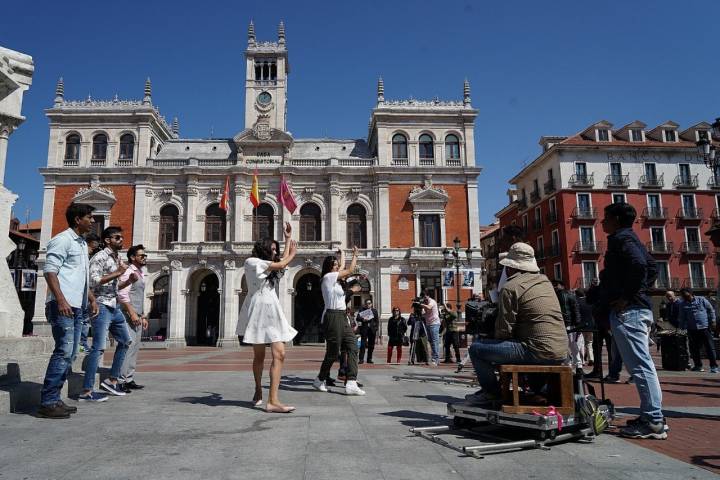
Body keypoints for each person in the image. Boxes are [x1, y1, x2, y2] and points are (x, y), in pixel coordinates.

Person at [466, 243, 567, 407]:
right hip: (561, 349)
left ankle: (491, 393)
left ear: (511, 268)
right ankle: (538, 391)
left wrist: (492, 336)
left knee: (476, 349)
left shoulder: (511, 287)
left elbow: (504, 331)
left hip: (535, 350)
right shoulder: (545, 282)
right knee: (524, 347)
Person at [597, 202, 666, 439]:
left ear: (616, 219)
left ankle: (653, 420)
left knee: (640, 366)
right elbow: (652, 267)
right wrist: (641, 291)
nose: (602, 222)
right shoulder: (631, 238)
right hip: (638, 308)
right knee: (642, 365)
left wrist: (627, 297)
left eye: (605, 217)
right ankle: (653, 416)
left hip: (630, 312)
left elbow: (639, 265)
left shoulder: (621, 239)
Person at [37, 203, 99, 418]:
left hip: (77, 305)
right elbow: (50, 271)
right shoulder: (62, 240)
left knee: (71, 353)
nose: (92, 221)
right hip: (63, 305)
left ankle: (55, 399)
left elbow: (79, 276)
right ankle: (48, 402)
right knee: (63, 351)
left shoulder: (81, 243)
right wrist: (61, 300)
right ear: (77, 219)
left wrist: (90, 299)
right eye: (89, 217)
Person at [237, 222, 298, 413]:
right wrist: (293, 254)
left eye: (275, 249)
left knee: (280, 353)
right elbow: (281, 263)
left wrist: (287, 240)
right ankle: (257, 388)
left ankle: (273, 400)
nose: (274, 252)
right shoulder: (252, 262)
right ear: (262, 249)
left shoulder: (268, 266)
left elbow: (279, 263)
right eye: (271, 249)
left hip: (272, 308)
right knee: (259, 356)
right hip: (258, 310)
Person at [82, 226, 134, 401]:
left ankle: (112, 381)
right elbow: (94, 281)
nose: (121, 240)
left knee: (126, 341)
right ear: (107, 240)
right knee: (98, 347)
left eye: (121, 237)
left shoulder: (116, 258)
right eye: (117, 237)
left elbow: (114, 287)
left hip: (114, 305)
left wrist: (128, 281)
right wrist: (118, 272)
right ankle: (86, 391)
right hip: (101, 305)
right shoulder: (100, 257)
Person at [313, 247, 365, 395]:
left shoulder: (335, 280)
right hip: (332, 316)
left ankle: (351, 382)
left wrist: (342, 254)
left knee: (353, 346)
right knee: (333, 352)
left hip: (342, 316)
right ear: (329, 267)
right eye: (334, 265)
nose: (337, 267)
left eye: (337, 265)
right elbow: (349, 270)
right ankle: (319, 379)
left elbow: (343, 267)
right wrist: (355, 255)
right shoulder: (328, 278)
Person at [117, 244, 149, 390]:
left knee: (135, 347)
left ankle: (128, 377)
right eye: (141, 255)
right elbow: (122, 294)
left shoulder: (140, 273)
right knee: (128, 345)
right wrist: (132, 313)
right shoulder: (128, 272)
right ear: (132, 257)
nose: (144, 258)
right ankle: (120, 379)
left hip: (137, 315)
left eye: (145, 255)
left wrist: (143, 316)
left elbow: (139, 296)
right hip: (128, 314)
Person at [677, 288, 718, 373]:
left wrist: (713, 321)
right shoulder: (682, 304)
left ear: (691, 293)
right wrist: (681, 329)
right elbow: (682, 318)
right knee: (694, 349)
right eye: (682, 295)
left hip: (704, 328)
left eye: (685, 294)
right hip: (692, 329)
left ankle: (714, 366)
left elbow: (711, 310)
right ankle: (698, 366)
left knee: (710, 348)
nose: (684, 296)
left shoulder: (702, 300)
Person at [552, 280, 584, 375]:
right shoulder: (569, 295)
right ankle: (577, 366)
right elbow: (576, 310)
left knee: (569, 346)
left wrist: (577, 324)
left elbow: (575, 310)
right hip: (566, 324)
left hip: (566, 324)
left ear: (562, 285)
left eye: (556, 285)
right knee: (572, 346)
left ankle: (571, 365)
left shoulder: (558, 296)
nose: (554, 287)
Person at [79, 232, 101, 353]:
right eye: (93, 247)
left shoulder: (88, 258)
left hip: (86, 295)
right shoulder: (82, 257)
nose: (93, 250)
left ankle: (82, 343)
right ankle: (80, 344)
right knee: (82, 321)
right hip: (80, 296)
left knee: (85, 321)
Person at [418, 289, 441, 366]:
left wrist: (421, 304)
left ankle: (436, 359)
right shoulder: (425, 303)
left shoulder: (432, 301)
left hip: (434, 324)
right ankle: (433, 358)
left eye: (424, 297)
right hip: (428, 324)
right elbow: (424, 314)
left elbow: (429, 307)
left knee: (435, 341)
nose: (424, 298)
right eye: (423, 297)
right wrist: (420, 308)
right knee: (431, 341)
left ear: (428, 295)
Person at [575, 288, 594, 367]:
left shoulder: (577, 303)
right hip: (590, 325)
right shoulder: (589, 302)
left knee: (581, 343)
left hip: (581, 325)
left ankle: (582, 360)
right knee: (589, 343)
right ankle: (591, 358)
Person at [357, 298, 379, 364]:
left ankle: (369, 359)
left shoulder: (374, 311)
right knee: (363, 345)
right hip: (364, 329)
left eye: (369, 303)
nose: (368, 305)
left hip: (372, 330)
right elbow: (357, 318)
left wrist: (376, 328)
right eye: (366, 304)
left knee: (371, 345)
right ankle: (361, 359)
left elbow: (376, 320)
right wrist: (363, 319)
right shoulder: (362, 310)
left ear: (371, 304)